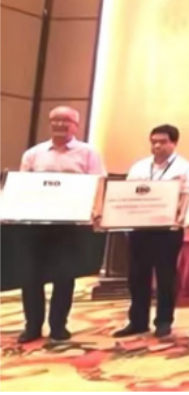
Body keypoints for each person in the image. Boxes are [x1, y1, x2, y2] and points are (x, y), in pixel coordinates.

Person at [17, 106, 106, 343]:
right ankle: (32, 326)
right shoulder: (34, 154)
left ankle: (58, 326)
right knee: (31, 275)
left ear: (76, 125)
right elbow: (22, 186)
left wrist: (97, 212)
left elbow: (99, 183)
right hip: (36, 224)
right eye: (55, 120)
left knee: (64, 276)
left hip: (70, 225)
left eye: (66, 120)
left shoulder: (88, 153)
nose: (60, 124)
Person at [113, 124, 189, 339]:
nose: (157, 146)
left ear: (174, 143)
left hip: (167, 230)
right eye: (154, 142)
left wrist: (181, 218)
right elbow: (127, 194)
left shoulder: (184, 167)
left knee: (165, 277)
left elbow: (188, 195)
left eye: (162, 142)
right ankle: (138, 322)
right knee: (137, 276)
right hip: (140, 228)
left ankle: (164, 321)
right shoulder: (139, 166)